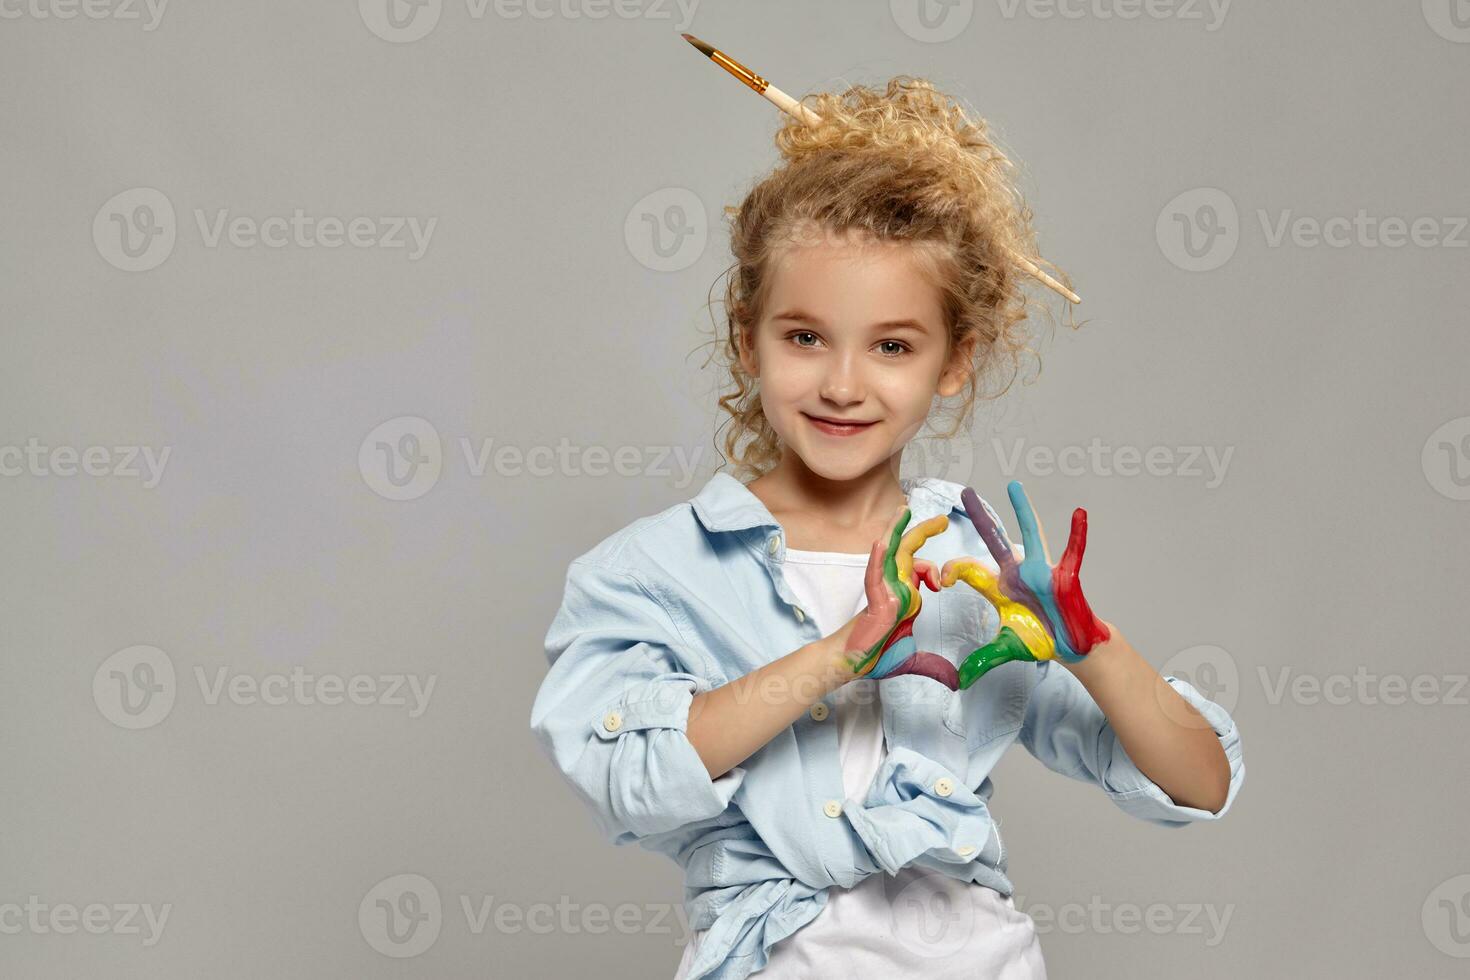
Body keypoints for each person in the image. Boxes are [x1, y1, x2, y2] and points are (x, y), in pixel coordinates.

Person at [529, 76, 1243, 980]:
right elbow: (624, 778)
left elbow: (1198, 783)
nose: (842, 383)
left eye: (893, 345)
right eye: (805, 337)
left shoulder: (979, 572)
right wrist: (840, 654)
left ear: (956, 362)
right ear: (747, 339)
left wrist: (1090, 644)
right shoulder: (653, 572)